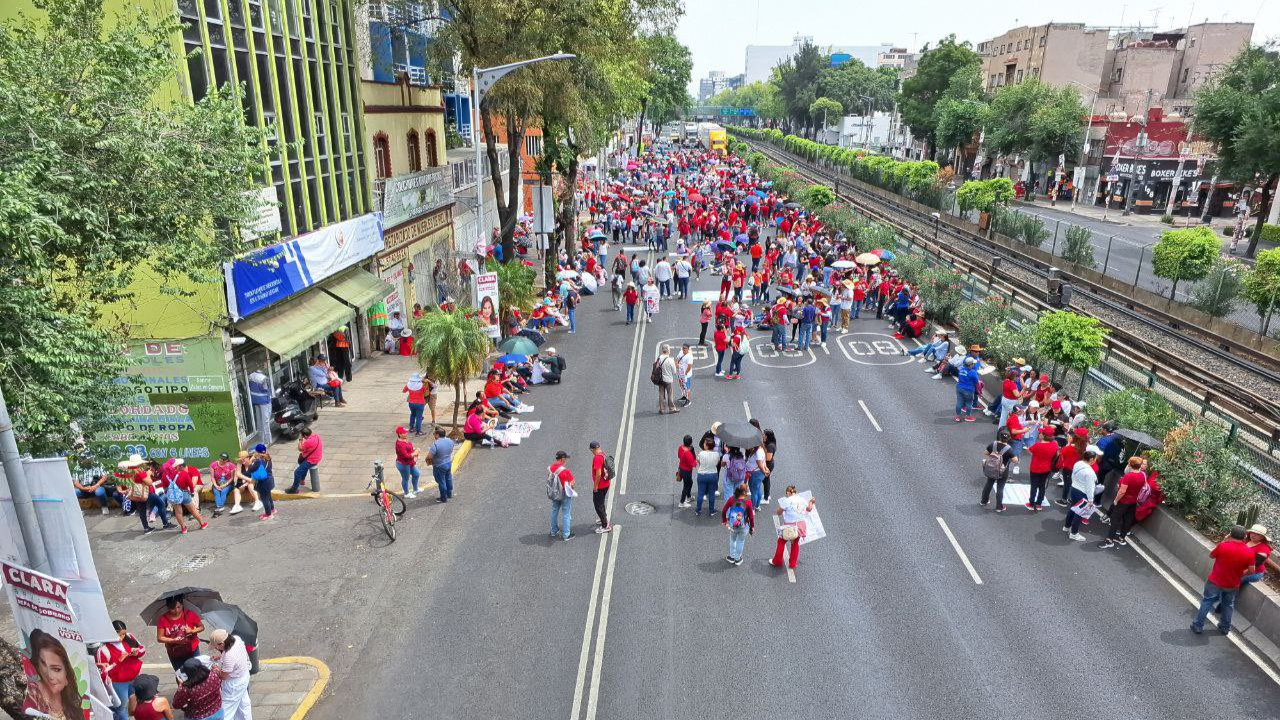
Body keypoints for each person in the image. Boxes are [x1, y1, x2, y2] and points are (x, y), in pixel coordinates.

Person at [1191, 525, 1256, 635]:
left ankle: (1198, 626)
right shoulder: (1249, 552)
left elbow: (1211, 555)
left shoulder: (1223, 546)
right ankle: (1225, 628)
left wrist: (1224, 540)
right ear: (1245, 537)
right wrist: (1240, 573)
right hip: (1232, 584)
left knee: (1207, 601)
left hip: (1215, 581)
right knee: (1228, 604)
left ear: (1230, 534)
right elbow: (1251, 571)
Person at [98, 620, 146, 720]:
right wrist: (118, 661)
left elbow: (142, 649)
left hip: (134, 678)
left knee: (134, 703)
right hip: (118, 684)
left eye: (124, 634)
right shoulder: (103, 650)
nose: (123, 637)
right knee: (121, 708)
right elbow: (103, 672)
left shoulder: (129, 638)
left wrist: (136, 652)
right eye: (120, 635)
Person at [1099, 456, 1148, 549]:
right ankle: (1121, 538)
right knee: (1128, 519)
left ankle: (1109, 540)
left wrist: (1116, 500)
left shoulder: (1128, 476)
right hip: (1134, 501)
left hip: (1124, 501)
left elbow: (1122, 491)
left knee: (1115, 518)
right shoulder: (1143, 475)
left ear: (1130, 464)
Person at [210, 629, 253, 720]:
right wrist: (220, 657)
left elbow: (223, 676)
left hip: (234, 684)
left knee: (226, 711)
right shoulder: (237, 639)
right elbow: (236, 655)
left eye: (216, 647)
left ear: (221, 644)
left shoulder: (229, 656)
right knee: (244, 704)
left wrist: (216, 670)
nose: (216, 649)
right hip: (244, 676)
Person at [771, 485, 815, 570]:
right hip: (801, 525)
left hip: (790, 525)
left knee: (781, 541)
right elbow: (809, 509)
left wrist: (780, 508)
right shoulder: (802, 499)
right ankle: (792, 563)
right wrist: (811, 501)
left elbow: (778, 512)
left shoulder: (787, 500)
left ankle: (777, 561)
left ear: (788, 492)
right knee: (795, 543)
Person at [1062, 446, 1100, 541]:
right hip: (1082, 493)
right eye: (1095, 459)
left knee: (1073, 508)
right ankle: (1074, 533)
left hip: (1074, 489)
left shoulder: (1078, 463)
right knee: (1079, 513)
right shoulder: (1090, 472)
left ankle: (1066, 526)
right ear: (1091, 459)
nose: (1096, 460)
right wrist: (1091, 500)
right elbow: (1090, 488)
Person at [156, 597, 203, 671]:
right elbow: (160, 638)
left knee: (197, 671)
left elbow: (201, 627)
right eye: (173, 608)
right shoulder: (163, 619)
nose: (176, 611)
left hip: (192, 649)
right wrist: (173, 640)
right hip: (175, 653)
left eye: (178, 607)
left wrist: (192, 631)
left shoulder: (189, 614)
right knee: (181, 674)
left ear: (182, 605)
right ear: (168, 607)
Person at [172, 656, 223, 720]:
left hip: (197, 717)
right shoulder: (214, 675)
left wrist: (180, 686)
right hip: (217, 712)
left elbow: (176, 704)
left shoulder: (186, 688)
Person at [166, 459, 208, 533]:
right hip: (184, 493)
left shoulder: (165, 475)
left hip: (174, 496)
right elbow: (191, 485)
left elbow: (164, 487)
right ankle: (202, 524)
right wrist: (191, 492)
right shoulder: (183, 473)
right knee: (193, 510)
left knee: (178, 512)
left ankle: (183, 528)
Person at [980, 429, 1017, 513]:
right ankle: (999, 507)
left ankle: (984, 501)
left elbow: (986, 453)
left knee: (989, 483)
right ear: (1009, 438)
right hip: (1003, 471)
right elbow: (1015, 460)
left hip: (991, 468)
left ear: (1000, 436)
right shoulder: (1009, 449)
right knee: (1000, 488)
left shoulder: (993, 444)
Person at [1025, 427, 1059, 511]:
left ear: (1043, 436)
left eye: (1041, 433)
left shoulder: (1038, 445)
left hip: (1035, 468)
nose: (1039, 434)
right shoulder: (1054, 444)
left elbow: (1029, 450)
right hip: (1047, 468)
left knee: (1034, 486)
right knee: (1042, 485)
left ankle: (1031, 503)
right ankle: (1039, 503)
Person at [721, 485, 755, 566]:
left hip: (733, 525)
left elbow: (724, 511)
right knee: (740, 541)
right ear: (746, 492)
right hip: (744, 525)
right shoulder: (748, 502)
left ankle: (731, 557)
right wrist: (752, 526)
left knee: (732, 539)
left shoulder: (731, 499)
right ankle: (737, 559)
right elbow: (751, 517)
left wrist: (724, 521)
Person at [286, 427, 323, 494]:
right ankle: (302, 480)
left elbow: (300, 448)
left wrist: (300, 440)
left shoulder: (308, 442)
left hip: (312, 460)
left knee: (297, 472)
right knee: (303, 466)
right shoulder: (316, 436)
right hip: (318, 456)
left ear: (305, 436)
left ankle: (294, 489)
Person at [548, 450, 575, 541]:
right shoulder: (565, 471)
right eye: (566, 458)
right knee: (566, 513)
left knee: (554, 510)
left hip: (555, 493)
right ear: (562, 459)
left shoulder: (551, 468)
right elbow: (572, 483)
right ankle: (566, 534)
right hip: (564, 493)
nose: (566, 460)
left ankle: (554, 530)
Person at [246, 444, 276, 520]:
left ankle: (268, 514)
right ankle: (272, 509)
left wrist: (251, 460)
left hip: (263, 482)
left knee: (264, 498)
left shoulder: (258, 461)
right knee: (268, 496)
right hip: (270, 480)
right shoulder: (268, 457)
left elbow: (250, 469)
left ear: (257, 452)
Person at [694, 436, 721, 516]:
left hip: (702, 475)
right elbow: (717, 463)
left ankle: (698, 510)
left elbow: (698, 461)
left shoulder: (701, 453)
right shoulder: (717, 454)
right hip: (713, 475)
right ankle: (711, 510)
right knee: (712, 493)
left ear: (707, 445)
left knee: (700, 493)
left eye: (705, 443)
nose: (703, 444)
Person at [426, 427, 455, 503]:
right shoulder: (450, 441)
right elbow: (451, 449)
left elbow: (429, 456)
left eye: (434, 434)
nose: (434, 436)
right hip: (448, 462)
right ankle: (449, 494)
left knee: (441, 481)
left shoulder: (435, 444)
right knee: (448, 478)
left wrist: (428, 460)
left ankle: (443, 498)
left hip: (439, 465)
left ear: (437, 435)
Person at [230, 451, 263, 516]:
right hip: (245, 481)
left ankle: (258, 502)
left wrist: (246, 483)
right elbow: (238, 474)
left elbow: (254, 478)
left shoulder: (254, 463)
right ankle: (237, 506)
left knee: (250, 485)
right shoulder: (240, 463)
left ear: (248, 458)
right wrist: (246, 481)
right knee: (236, 489)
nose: (241, 461)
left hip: (254, 481)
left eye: (243, 459)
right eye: (240, 459)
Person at [589, 441, 612, 533]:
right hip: (606, 483)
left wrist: (595, 486)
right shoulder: (603, 454)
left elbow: (598, 474)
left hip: (600, 486)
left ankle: (605, 525)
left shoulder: (597, 458)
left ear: (592, 449)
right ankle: (604, 519)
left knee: (598, 505)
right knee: (601, 502)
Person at [246, 370, 273, 447]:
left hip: (255, 400)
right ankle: (268, 440)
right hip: (264, 401)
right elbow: (266, 389)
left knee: (259, 420)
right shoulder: (264, 378)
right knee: (266, 421)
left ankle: (261, 439)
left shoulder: (251, 375)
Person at [394, 426, 421, 498]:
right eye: (404, 432)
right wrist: (415, 453)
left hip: (409, 463)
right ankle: (406, 493)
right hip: (403, 464)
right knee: (405, 478)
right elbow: (406, 456)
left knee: (416, 474)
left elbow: (408, 449)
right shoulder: (399, 444)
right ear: (399, 434)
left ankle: (415, 489)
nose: (406, 433)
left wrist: (415, 449)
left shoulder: (404, 440)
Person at [209, 453, 237, 518]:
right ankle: (219, 507)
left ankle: (220, 507)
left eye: (224, 459)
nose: (222, 460)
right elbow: (212, 477)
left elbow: (232, 478)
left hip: (228, 483)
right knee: (216, 492)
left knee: (223, 491)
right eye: (221, 458)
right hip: (217, 483)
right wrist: (215, 485)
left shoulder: (231, 466)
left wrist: (225, 484)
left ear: (227, 460)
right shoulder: (214, 465)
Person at [954, 356, 980, 422]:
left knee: (959, 402)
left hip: (959, 388)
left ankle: (958, 416)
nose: (974, 365)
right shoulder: (973, 372)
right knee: (969, 403)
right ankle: (968, 416)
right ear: (970, 365)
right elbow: (977, 382)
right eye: (973, 364)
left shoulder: (961, 370)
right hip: (968, 390)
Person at [656, 344, 679, 414]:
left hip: (660, 379)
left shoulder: (659, 358)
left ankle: (661, 409)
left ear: (662, 350)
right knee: (670, 394)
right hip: (668, 380)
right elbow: (674, 371)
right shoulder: (670, 360)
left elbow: (656, 368)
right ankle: (671, 408)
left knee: (661, 394)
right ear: (668, 350)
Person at [676, 435, 696, 508]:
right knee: (686, 485)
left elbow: (679, 456)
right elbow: (693, 464)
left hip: (681, 468)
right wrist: (696, 461)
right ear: (690, 443)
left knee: (690, 482)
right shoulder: (688, 453)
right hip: (687, 471)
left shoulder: (680, 447)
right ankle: (682, 502)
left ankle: (689, 497)